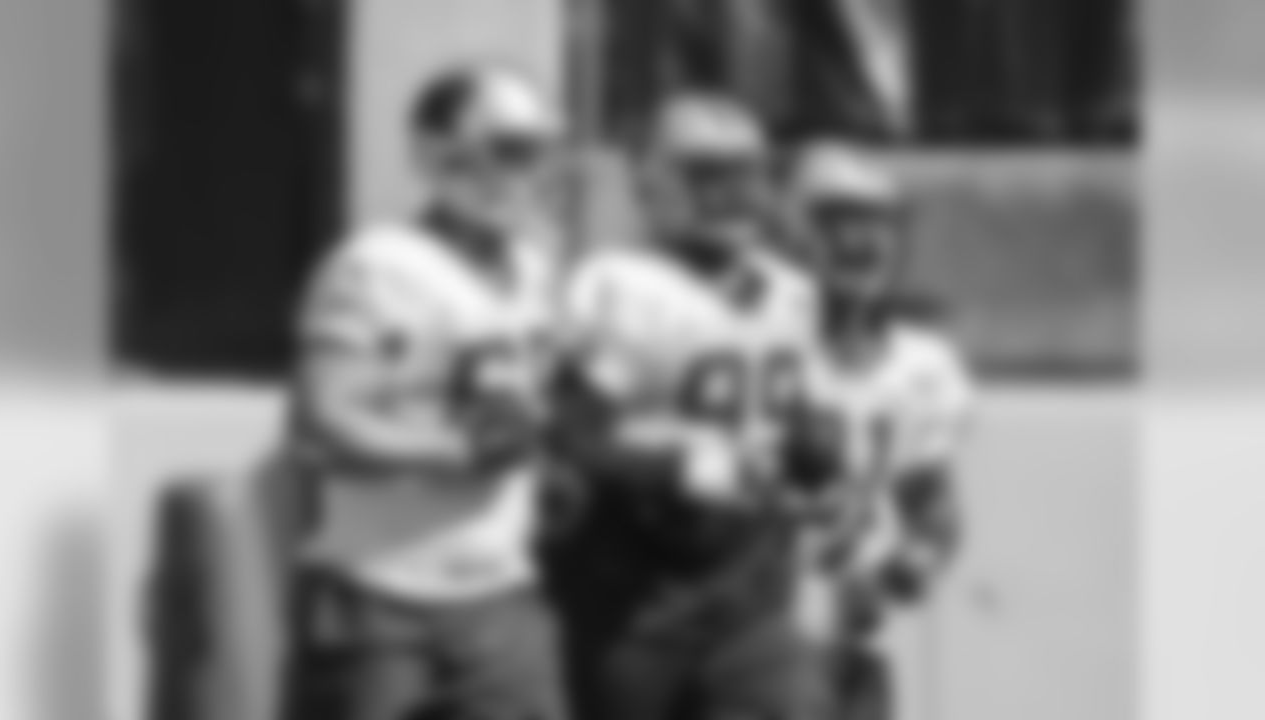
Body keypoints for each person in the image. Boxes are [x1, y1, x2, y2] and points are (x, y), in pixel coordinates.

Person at [273, 63, 570, 720]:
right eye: (509, 149)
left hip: (500, 587)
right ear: (441, 154)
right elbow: (322, 421)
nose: (526, 173)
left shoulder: (532, 268)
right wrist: (451, 452)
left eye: (537, 152)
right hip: (380, 591)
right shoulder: (376, 265)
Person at [543, 92, 837, 720]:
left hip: (752, 584)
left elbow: (800, 418)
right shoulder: (622, 286)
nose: (734, 193)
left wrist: (816, 453)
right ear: (655, 183)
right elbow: (569, 437)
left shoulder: (790, 290)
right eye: (709, 174)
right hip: (635, 590)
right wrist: (676, 467)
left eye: (747, 173)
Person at [784, 140, 975, 720]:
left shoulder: (922, 367)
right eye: (839, 220)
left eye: (879, 223)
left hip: (853, 654)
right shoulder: (755, 348)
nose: (862, 242)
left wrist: (911, 563)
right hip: (753, 652)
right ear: (793, 231)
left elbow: (932, 507)